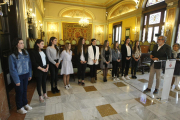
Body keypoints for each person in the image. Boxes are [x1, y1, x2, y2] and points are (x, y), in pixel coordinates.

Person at [9, 38, 32, 114]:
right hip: (18, 76)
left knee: (25, 90)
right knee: (19, 91)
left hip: (26, 74)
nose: (23, 44)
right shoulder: (12, 56)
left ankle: (25, 104)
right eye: (21, 43)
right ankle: (19, 107)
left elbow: (29, 64)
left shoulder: (26, 53)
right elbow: (12, 69)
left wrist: (30, 74)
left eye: (23, 43)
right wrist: (16, 80)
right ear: (16, 45)